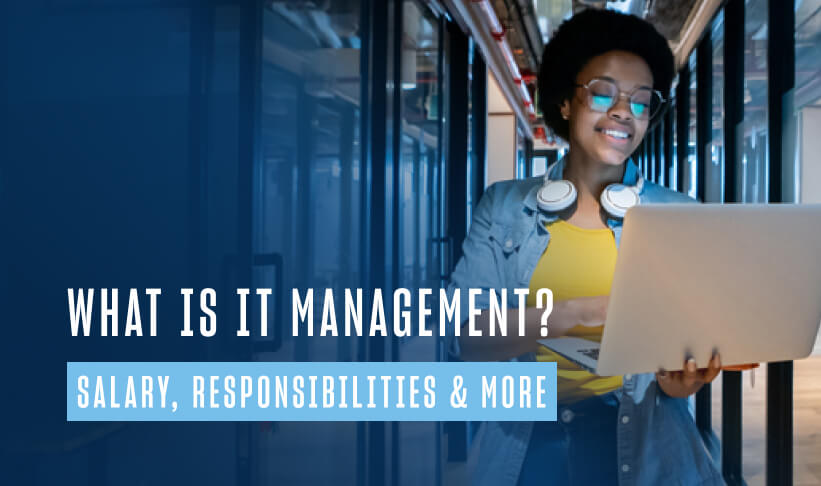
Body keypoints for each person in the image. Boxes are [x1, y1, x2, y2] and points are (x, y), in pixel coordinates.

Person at [446, 9, 725, 486]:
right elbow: (466, 339)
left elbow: (682, 354)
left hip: (643, 445)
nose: (624, 112)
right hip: (528, 444)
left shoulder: (678, 213)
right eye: (603, 93)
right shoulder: (505, 206)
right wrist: (579, 312)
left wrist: (680, 381)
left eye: (640, 102)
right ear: (565, 103)